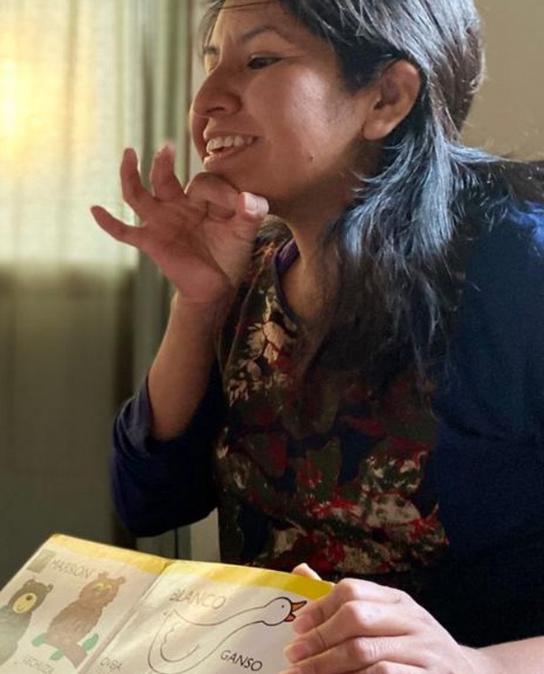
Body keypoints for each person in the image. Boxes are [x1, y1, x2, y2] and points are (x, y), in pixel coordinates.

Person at [92, 0, 544, 672]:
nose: (209, 98)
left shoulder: (518, 267)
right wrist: (200, 302)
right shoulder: (254, 269)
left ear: (386, 97)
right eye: (212, 63)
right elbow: (150, 499)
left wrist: (481, 666)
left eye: (261, 59)